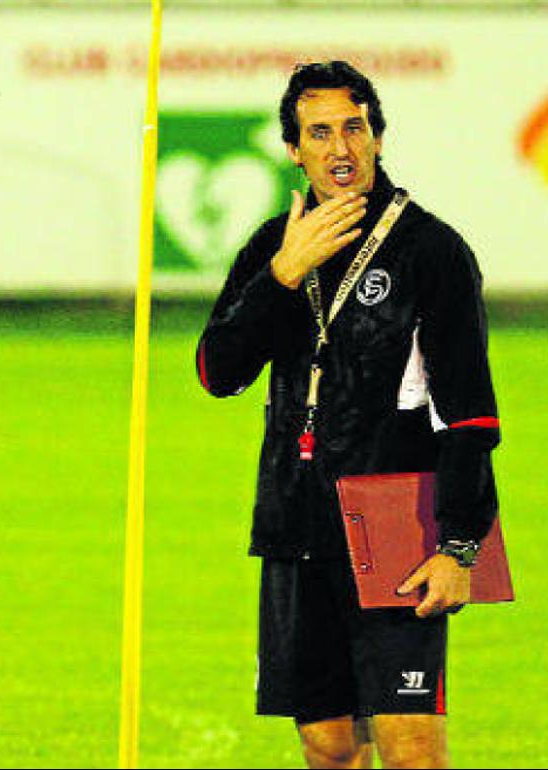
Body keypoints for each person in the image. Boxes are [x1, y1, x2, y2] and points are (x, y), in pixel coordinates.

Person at [195, 61, 499, 769]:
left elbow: (469, 415)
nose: (340, 148)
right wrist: (282, 275)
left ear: (378, 138)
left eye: (354, 129)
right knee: (329, 745)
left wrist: (460, 545)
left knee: (410, 746)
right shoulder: (273, 246)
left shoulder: (432, 251)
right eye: (320, 133)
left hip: (397, 518)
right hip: (296, 516)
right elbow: (217, 372)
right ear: (293, 150)